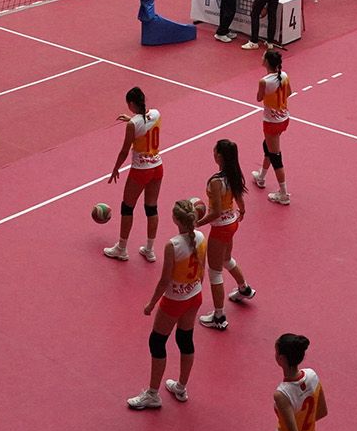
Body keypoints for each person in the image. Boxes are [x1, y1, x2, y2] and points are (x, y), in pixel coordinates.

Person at [130, 195, 206, 409]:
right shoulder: (201, 237)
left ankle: (153, 394)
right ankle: (181, 386)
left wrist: (151, 304)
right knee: (185, 339)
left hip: (175, 300)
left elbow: (165, 280)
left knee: (157, 342)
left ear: (176, 219)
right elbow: (202, 269)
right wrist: (197, 289)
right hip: (194, 295)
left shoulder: (173, 245)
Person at [103, 85, 165, 264]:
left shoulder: (133, 124)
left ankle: (121, 249)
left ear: (131, 103)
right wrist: (132, 120)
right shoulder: (156, 113)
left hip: (140, 170)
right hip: (157, 166)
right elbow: (145, 124)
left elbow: (124, 151)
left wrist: (115, 168)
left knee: (127, 207)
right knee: (151, 208)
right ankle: (150, 249)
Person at [200, 140, 254, 329]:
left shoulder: (216, 181)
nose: (213, 153)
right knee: (226, 259)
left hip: (220, 227)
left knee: (214, 272)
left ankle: (219, 316)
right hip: (232, 223)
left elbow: (214, 213)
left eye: (215, 151)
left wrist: (195, 224)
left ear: (219, 156)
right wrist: (242, 211)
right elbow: (239, 198)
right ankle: (244, 288)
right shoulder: (233, 174)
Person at [251, 50, 293, 205]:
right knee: (267, 146)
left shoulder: (264, 81)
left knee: (276, 157)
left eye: (263, 57)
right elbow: (289, 92)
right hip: (284, 118)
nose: (261, 58)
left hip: (271, 122)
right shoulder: (284, 75)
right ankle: (261, 177)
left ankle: (283, 194)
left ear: (267, 62)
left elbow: (259, 98)